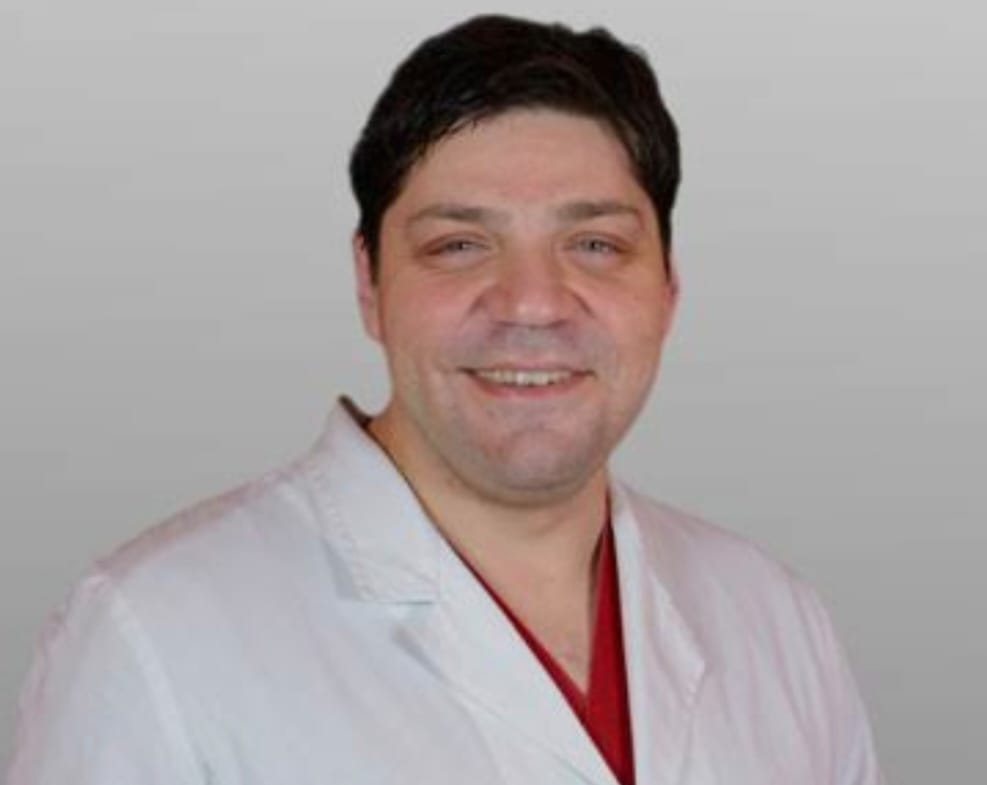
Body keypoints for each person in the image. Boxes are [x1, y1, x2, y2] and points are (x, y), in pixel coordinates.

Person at [5, 15, 884, 785]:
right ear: (369, 283)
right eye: (459, 245)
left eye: (595, 244)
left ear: (668, 285)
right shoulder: (158, 637)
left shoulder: (772, 619)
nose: (532, 303)